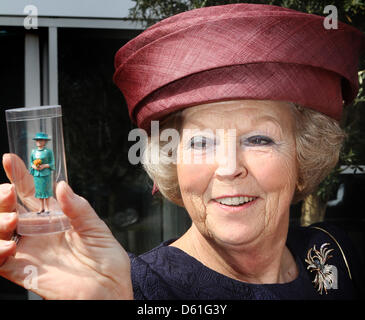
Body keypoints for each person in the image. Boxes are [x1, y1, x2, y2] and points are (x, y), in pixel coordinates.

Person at [0, 3, 364, 300]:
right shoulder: (135, 290)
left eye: (259, 139)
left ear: (303, 155)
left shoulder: (335, 255)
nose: (228, 168)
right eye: (201, 142)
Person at [29, 132, 55, 214]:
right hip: (37, 174)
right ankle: (41, 207)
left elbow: (52, 163)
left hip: (45, 174)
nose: (39, 142)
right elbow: (30, 162)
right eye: (37, 140)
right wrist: (34, 166)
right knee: (39, 191)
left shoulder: (48, 151)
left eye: (41, 140)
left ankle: (47, 207)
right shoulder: (33, 152)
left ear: (45, 141)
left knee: (46, 190)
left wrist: (45, 166)